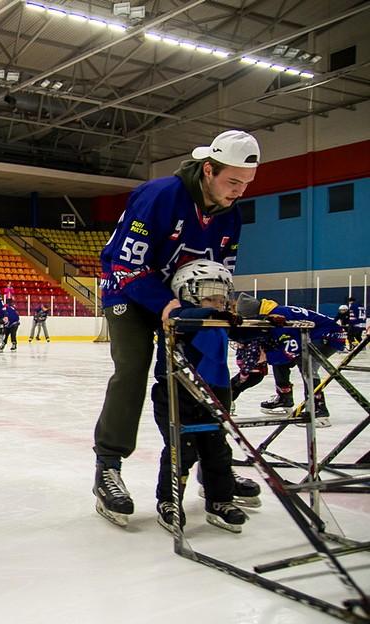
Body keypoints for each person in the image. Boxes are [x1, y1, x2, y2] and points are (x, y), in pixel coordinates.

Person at [93, 129, 260, 527]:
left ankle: (211, 463)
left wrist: (218, 308)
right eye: (232, 181)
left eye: (246, 184)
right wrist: (165, 304)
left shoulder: (230, 213)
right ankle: (108, 467)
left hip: (182, 298)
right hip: (128, 293)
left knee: (209, 369)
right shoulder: (160, 195)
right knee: (132, 370)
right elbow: (126, 264)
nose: (238, 191)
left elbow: (223, 268)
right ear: (208, 170)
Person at [151, 260, 248, 534]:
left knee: (217, 450)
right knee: (181, 449)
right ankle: (169, 501)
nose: (217, 301)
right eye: (209, 294)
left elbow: (244, 329)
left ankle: (220, 500)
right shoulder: (178, 317)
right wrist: (212, 313)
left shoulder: (218, 320)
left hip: (213, 394)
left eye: (221, 295)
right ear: (186, 291)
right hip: (176, 394)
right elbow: (184, 319)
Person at [236, 296, 347, 427]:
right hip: (313, 336)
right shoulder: (269, 314)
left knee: (306, 363)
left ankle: (319, 410)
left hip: (328, 336)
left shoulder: (278, 316)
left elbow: (292, 347)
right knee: (279, 362)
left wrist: (266, 356)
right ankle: (285, 398)